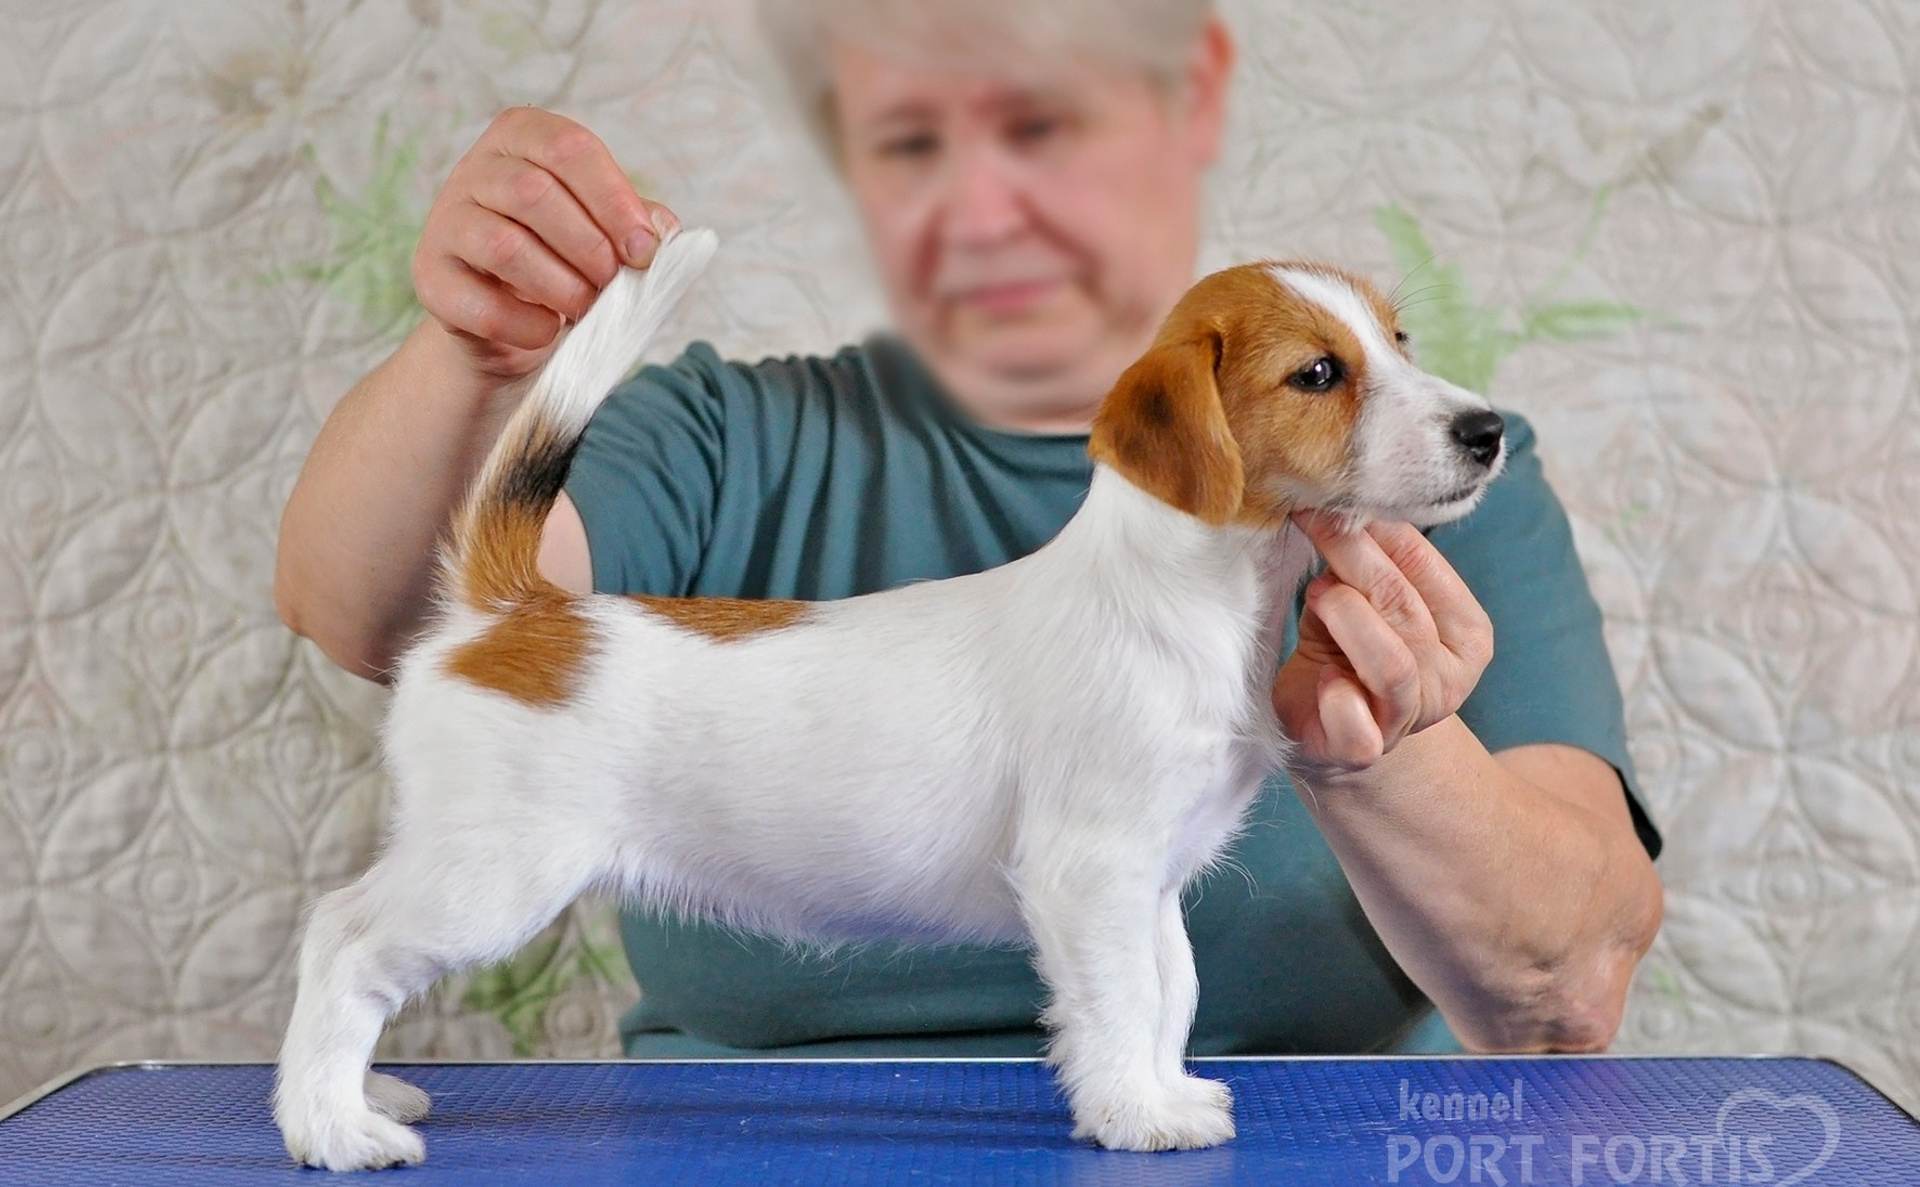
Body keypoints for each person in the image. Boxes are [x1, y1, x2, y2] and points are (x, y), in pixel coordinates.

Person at [275, 0, 1663, 1061]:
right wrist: (473, 353)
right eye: (912, 139)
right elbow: (394, 621)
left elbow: (1570, 993)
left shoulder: (1431, 490)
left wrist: (1380, 754)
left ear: (1189, 98)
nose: (989, 201)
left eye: (1047, 124)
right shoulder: (722, 436)